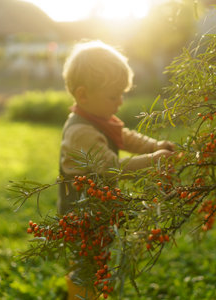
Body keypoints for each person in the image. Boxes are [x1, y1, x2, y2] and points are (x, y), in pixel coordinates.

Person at [58, 40, 174, 299]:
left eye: (122, 94)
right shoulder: (81, 132)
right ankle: (80, 294)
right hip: (81, 217)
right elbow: (111, 169)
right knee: (85, 262)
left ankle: (90, 291)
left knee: (99, 257)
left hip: (99, 210)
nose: (120, 102)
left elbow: (126, 137)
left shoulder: (99, 120)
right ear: (83, 94)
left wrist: (155, 146)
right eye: (114, 96)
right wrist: (154, 160)